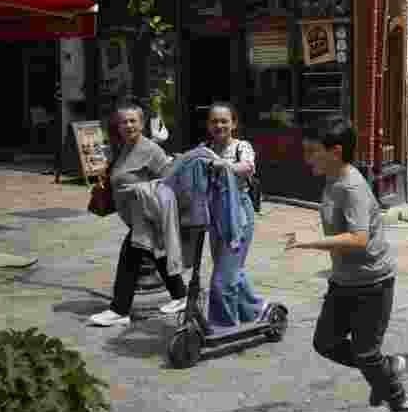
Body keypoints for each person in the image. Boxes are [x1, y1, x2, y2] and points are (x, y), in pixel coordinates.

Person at [290, 117, 408, 412]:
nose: (307, 159)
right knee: (325, 342)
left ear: (335, 152)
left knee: (365, 353)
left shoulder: (351, 186)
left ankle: (404, 406)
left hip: (372, 283)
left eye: (312, 152)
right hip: (345, 281)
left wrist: (309, 242)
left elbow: (358, 238)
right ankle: (386, 368)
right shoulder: (332, 179)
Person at [90, 101, 186, 327]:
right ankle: (181, 296)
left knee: (129, 259)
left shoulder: (151, 149)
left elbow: (171, 179)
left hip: (147, 216)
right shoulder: (123, 147)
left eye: (133, 121)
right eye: (123, 122)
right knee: (158, 254)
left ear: (141, 124)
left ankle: (119, 309)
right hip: (135, 216)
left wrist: (140, 190)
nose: (128, 125)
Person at [200, 102, 272, 332]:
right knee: (230, 267)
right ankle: (255, 308)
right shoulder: (205, 148)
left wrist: (223, 165)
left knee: (222, 276)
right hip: (215, 212)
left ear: (233, 124)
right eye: (214, 121)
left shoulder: (242, 146)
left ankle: (222, 325)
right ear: (208, 125)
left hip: (238, 212)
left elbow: (247, 168)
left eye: (224, 121)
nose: (219, 125)